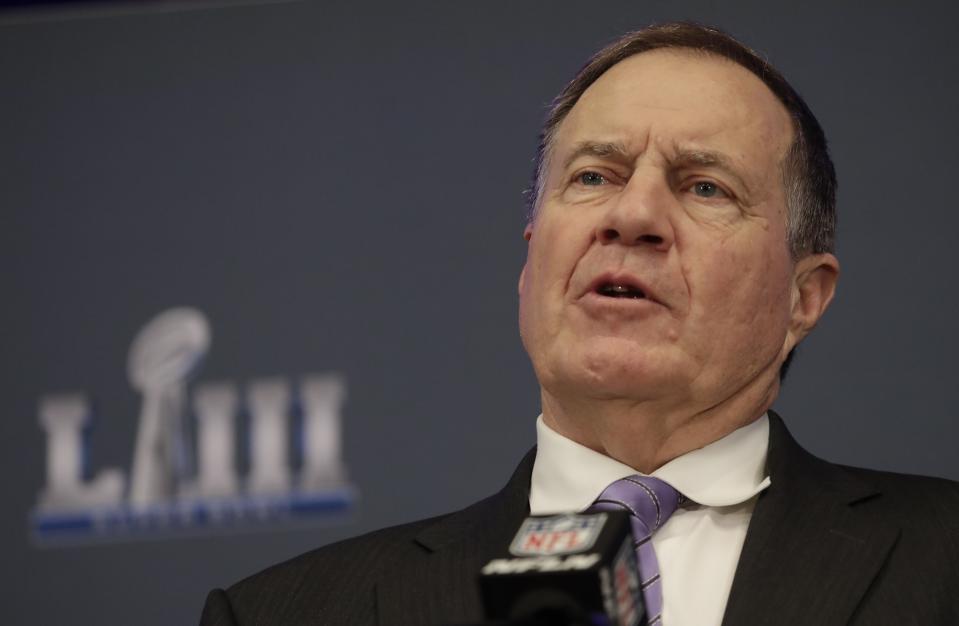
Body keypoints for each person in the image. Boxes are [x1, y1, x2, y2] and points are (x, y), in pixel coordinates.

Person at [200, 22, 959, 626]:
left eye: (704, 186)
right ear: (532, 262)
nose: (632, 216)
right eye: (593, 176)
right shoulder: (287, 612)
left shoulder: (940, 561)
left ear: (803, 297)